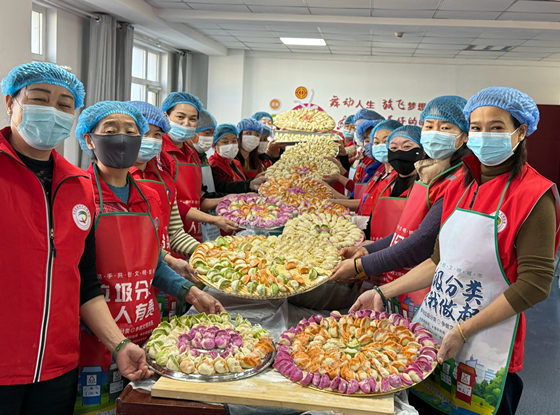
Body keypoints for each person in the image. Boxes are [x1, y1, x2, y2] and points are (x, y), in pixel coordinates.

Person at [351, 87, 559, 415]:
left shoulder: (535, 195)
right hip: (438, 323)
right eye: (476, 127)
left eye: (496, 127)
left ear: (520, 132)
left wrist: (464, 330)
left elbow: (534, 286)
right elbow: (438, 261)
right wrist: (381, 292)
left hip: (488, 337)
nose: (484, 135)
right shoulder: (460, 183)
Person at [0, 62, 151, 415]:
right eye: (40, 99)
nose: (53, 111)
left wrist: (119, 345)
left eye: (64, 104)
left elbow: (84, 282)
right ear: (10, 103)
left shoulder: (78, 186)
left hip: (58, 368)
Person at [75, 100, 225, 414]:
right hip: (96, 338)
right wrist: (115, 341)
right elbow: (76, 278)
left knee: (142, 406)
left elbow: (153, 264)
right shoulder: (79, 195)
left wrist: (192, 292)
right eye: (111, 131)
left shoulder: (150, 196)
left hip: (146, 331)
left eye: (132, 131)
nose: (122, 139)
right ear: (89, 139)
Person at [331, 97, 471, 317]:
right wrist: (367, 250)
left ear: (464, 135)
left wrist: (361, 265)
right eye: (429, 126)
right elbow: (407, 231)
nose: (435, 133)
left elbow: (422, 242)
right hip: (402, 278)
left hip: (430, 283)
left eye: (445, 128)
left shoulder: (460, 180)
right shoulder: (432, 175)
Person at [128, 101, 200, 268]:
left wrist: (208, 251)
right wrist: (168, 260)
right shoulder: (117, 179)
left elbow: (174, 234)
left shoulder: (164, 179)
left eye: (157, 135)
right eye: (144, 133)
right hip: (130, 273)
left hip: (162, 273)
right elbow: (127, 241)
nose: (151, 140)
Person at [159, 92, 237, 242]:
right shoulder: (160, 152)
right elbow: (168, 203)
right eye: (180, 117)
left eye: (192, 119)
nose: (186, 123)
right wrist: (212, 219)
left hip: (193, 234)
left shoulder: (192, 154)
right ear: (166, 116)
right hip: (171, 237)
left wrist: (225, 199)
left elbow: (196, 201)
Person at [209, 123, 266, 194]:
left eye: (234, 141)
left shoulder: (236, 163)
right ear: (214, 146)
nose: (231, 145)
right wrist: (250, 184)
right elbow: (224, 187)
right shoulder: (214, 165)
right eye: (225, 142)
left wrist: (254, 180)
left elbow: (240, 182)